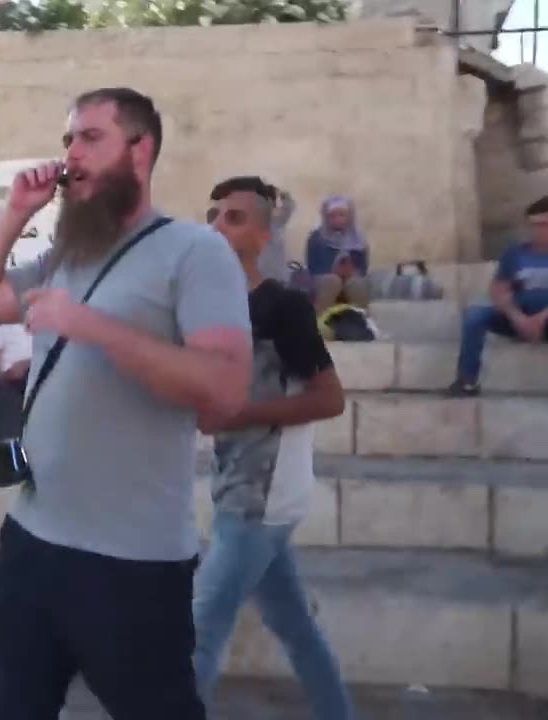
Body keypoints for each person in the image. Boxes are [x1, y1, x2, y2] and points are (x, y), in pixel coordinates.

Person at [0, 87, 251, 720]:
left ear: (140, 150)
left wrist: (93, 327)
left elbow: (226, 388)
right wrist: (14, 213)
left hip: (130, 567)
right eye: (67, 141)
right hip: (29, 544)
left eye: (89, 138)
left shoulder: (195, 251)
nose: (71, 154)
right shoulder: (68, 251)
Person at [196, 176, 354, 719]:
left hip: (264, 498)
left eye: (234, 217)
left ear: (264, 236)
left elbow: (329, 398)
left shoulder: (282, 308)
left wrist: (240, 413)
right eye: (213, 215)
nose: (217, 226)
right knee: (295, 626)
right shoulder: (207, 311)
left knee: (196, 635)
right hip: (233, 488)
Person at [449, 195, 548, 396]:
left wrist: (541, 318)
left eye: (544, 224)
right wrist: (517, 318)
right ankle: (467, 380)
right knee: (475, 315)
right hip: (520, 317)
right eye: (533, 225)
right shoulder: (515, 253)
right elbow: (499, 290)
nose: (537, 230)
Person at [305, 195, 369, 315]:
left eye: (341, 215)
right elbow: (312, 267)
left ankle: (363, 323)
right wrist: (333, 270)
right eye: (332, 216)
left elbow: (363, 267)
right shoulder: (317, 237)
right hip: (324, 278)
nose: (337, 219)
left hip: (350, 278)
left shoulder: (358, 238)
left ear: (349, 217)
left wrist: (352, 271)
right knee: (332, 281)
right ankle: (316, 324)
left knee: (357, 283)